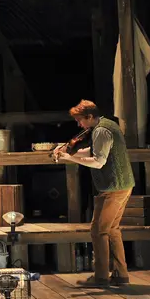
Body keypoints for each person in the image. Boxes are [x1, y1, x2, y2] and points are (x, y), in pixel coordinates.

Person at [53, 100, 134, 287]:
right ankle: (121, 275)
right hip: (121, 186)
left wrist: (69, 158)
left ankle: (101, 278)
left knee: (98, 231)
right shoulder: (107, 125)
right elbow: (94, 150)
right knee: (112, 230)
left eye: (80, 120)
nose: (79, 125)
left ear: (90, 117)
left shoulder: (101, 130)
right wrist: (72, 153)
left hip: (114, 188)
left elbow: (98, 161)